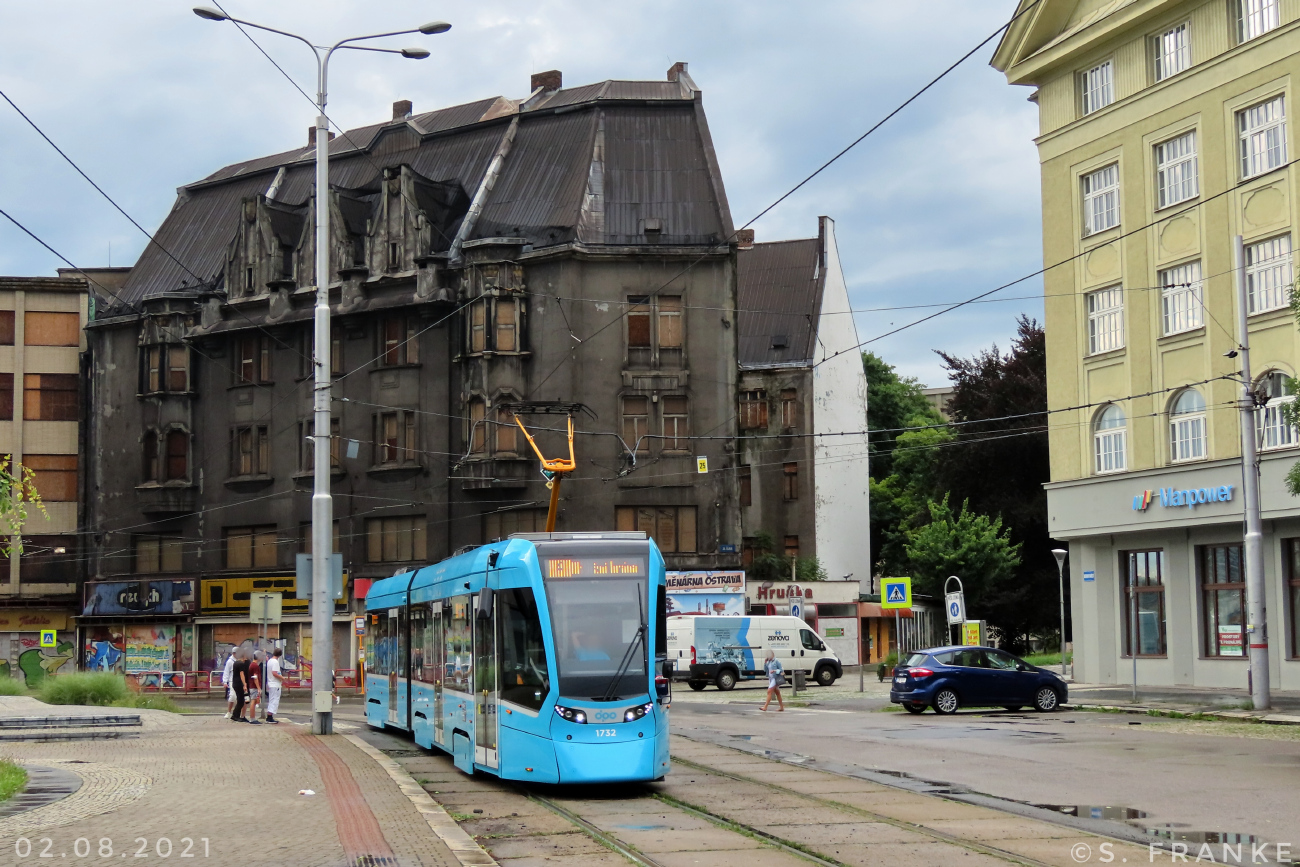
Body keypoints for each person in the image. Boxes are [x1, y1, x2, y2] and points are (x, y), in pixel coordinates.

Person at [231, 650, 251, 723]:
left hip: (235, 683)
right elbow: (241, 674)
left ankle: (236, 715)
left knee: (240, 699)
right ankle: (235, 715)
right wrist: (244, 684)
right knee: (241, 701)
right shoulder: (241, 664)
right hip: (239, 683)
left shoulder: (235, 663)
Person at [265, 648, 284, 724]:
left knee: (271, 699)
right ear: (280, 655)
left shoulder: (269, 661)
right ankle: (270, 716)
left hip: (270, 683)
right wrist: (282, 678)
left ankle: (269, 716)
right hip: (275, 683)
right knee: (274, 700)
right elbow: (274, 673)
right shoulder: (275, 662)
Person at [247, 650, 263, 724]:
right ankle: (252, 718)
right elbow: (255, 677)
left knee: (254, 701)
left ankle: (252, 718)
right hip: (254, 686)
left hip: (252, 686)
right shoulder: (255, 666)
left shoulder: (252, 665)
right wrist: (258, 687)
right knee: (253, 701)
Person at [221, 648, 236, 719]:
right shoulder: (230, 661)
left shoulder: (239, 660)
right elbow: (226, 671)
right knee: (232, 696)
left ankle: (236, 713)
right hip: (232, 681)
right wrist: (225, 681)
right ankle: (229, 712)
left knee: (239, 698)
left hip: (239, 681)